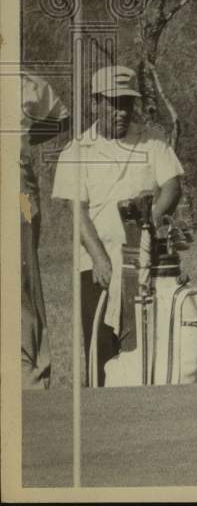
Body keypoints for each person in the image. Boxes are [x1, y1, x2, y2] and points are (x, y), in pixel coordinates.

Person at [52, 65, 183, 385]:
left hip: (145, 260)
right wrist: (99, 259)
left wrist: (146, 229)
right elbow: (77, 211)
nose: (121, 111)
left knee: (146, 346)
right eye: (113, 103)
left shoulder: (152, 140)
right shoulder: (77, 151)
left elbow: (172, 187)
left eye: (126, 103)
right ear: (95, 103)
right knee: (101, 348)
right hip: (98, 265)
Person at [20, 71, 70, 389]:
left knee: (21, 278)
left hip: (16, 186)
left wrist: (24, 138)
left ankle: (30, 374)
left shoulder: (30, 84)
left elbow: (61, 120)